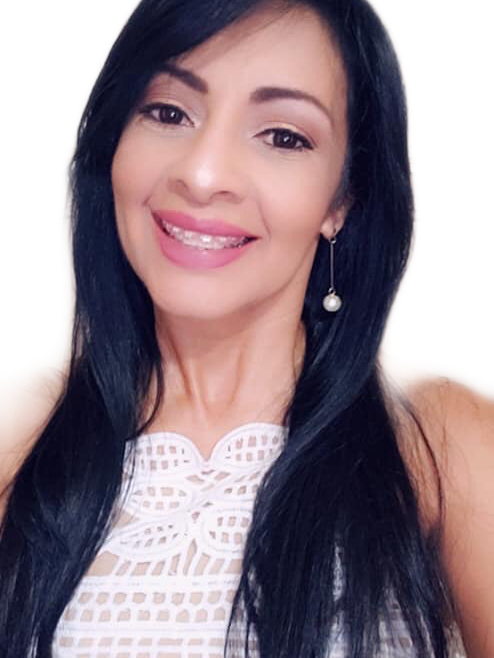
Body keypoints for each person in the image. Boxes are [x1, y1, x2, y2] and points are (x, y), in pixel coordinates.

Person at [0, 0, 492, 656]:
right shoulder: (14, 430)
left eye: (283, 136)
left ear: (342, 199)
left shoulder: (443, 442)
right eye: (167, 112)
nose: (202, 175)